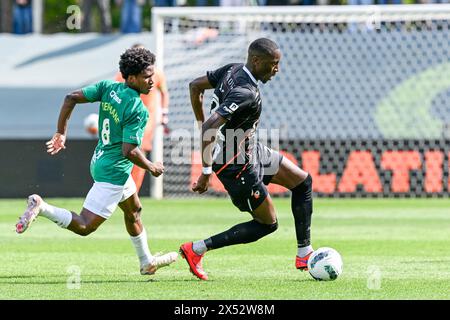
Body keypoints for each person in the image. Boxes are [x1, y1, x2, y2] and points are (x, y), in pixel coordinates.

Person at [16, 47, 177, 276]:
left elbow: (70, 98)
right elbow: (129, 150)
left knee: (134, 211)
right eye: (147, 77)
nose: (152, 81)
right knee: (85, 226)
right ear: (131, 78)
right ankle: (43, 208)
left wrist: (61, 132)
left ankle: (146, 261)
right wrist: (151, 166)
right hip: (114, 171)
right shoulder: (137, 108)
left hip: (100, 159)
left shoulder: (108, 87)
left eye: (153, 75)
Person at [179, 38, 315, 280]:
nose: (277, 70)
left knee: (302, 182)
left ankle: (304, 252)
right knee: (267, 224)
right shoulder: (245, 93)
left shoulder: (232, 69)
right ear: (256, 60)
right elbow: (211, 125)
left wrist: (202, 124)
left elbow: (194, 86)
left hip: (251, 150)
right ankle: (196, 249)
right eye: (273, 64)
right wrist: (206, 169)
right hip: (237, 166)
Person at [115, 44, 170, 194]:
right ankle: (122, 186)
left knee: (138, 149)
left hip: (147, 118)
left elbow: (164, 93)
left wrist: (164, 114)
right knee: (124, 149)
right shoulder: (122, 75)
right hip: (126, 116)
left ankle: (133, 190)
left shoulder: (156, 74)